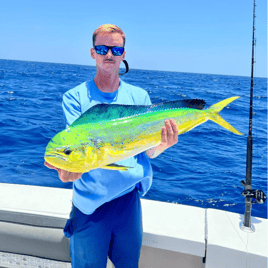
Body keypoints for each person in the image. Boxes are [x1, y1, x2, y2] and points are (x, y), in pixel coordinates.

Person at [44, 24, 178, 268]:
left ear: (123, 54)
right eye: (102, 48)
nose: (109, 54)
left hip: (128, 203)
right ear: (93, 53)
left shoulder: (139, 98)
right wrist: (65, 172)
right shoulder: (74, 97)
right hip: (89, 206)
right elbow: (73, 151)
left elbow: (148, 152)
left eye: (115, 49)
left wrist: (163, 145)